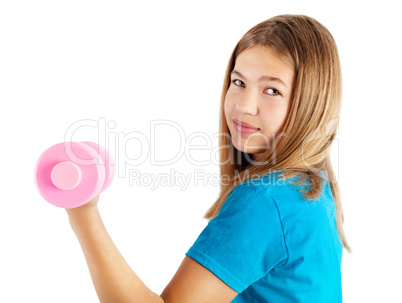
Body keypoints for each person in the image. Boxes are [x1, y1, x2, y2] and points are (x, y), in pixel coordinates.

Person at [66, 14, 351, 302]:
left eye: (272, 90)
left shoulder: (267, 200)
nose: (243, 105)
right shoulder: (311, 183)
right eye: (238, 82)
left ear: (311, 104)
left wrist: (83, 213)